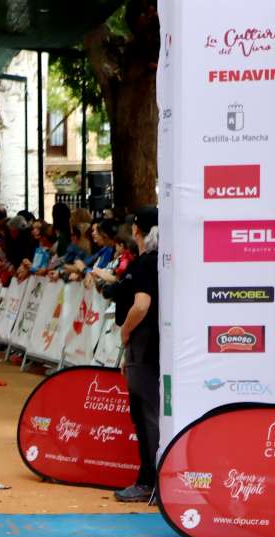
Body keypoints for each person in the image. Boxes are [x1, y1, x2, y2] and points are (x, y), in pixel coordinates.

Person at [115, 206, 160, 503]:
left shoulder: (145, 264)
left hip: (143, 344)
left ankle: (149, 480)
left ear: (137, 230)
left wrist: (125, 332)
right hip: (159, 344)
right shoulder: (165, 262)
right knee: (151, 413)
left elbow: (141, 305)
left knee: (145, 414)